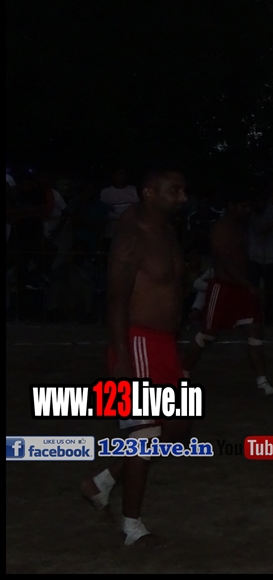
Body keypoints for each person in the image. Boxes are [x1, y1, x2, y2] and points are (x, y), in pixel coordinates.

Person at [78, 169, 190, 545]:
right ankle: (132, 527)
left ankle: (103, 481)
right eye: (174, 190)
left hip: (164, 344)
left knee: (178, 431)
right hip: (137, 342)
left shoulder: (168, 232)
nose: (182, 197)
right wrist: (122, 357)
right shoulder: (131, 237)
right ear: (149, 193)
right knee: (144, 434)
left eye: (183, 190)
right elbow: (115, 301)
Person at [181, 192, 273, 395]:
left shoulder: (241, 227)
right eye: (244, 206)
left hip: (241, 287)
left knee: (255, 331)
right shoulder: (221, 229)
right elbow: (225, 263)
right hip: (224, 287)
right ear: (232, 206)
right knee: (207, 334)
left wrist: (247, 285)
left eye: (248, 207)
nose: (248, 210)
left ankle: (262, 382)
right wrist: (249, 285)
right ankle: (182, 373)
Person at [247, 189, 273, 323]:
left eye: (259, 202)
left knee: (271, 291)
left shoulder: (272, 212)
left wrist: (271, 225)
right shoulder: (250, 214)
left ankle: (270, 318)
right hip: (254, 257)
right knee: (253, 290)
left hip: (271, 257)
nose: (256, 204)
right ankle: (253, 316)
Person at [98, 168, 139, 247]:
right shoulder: (106, 192)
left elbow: (137, 207)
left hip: (130, 229)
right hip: (112, 230)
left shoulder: (133, 190)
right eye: (119, 174)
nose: (122, 176)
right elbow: (104, 210)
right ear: (114, 176)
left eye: (124, 174)